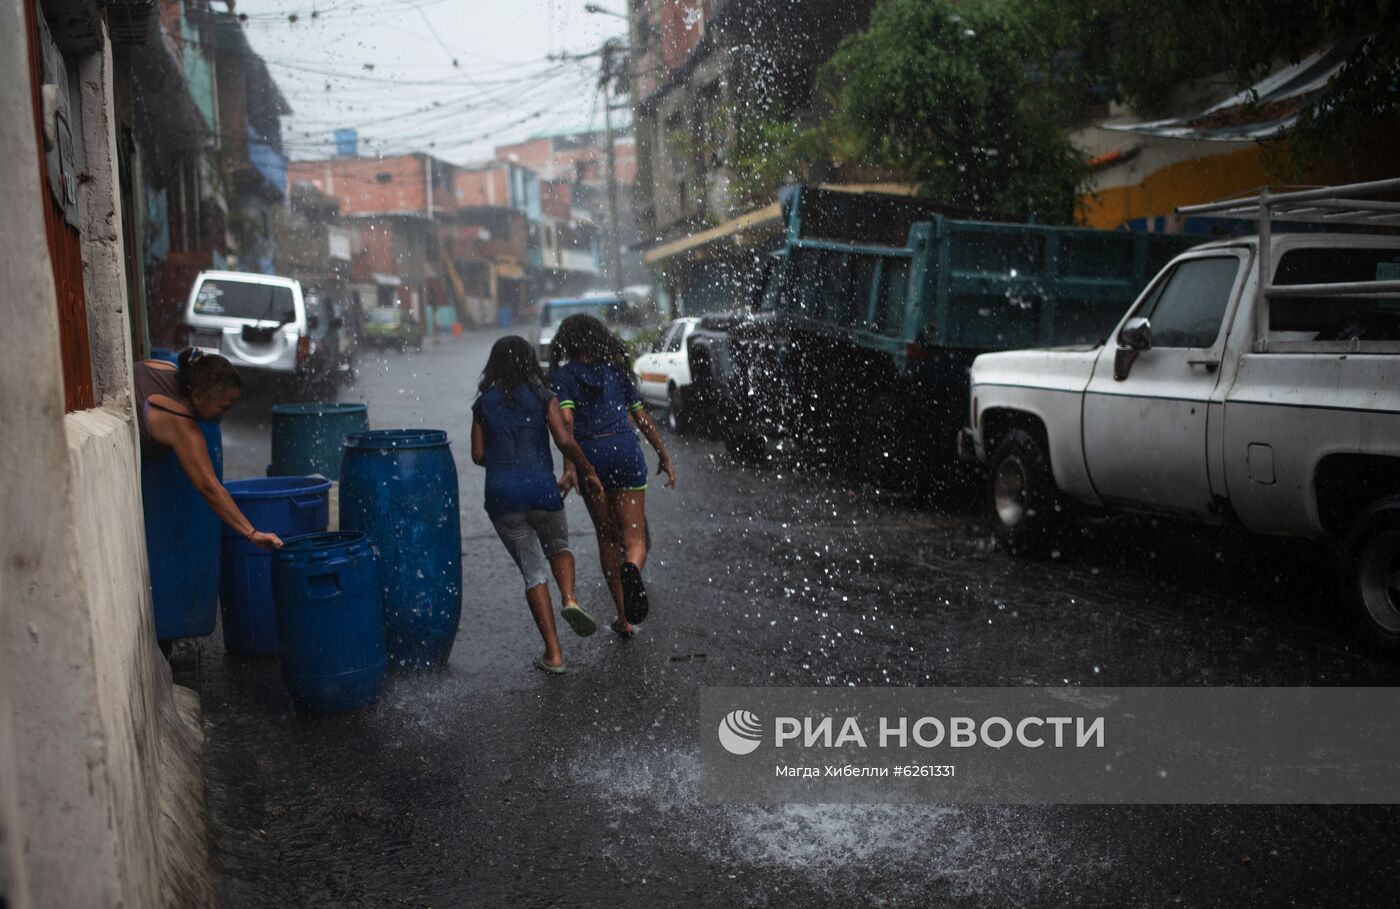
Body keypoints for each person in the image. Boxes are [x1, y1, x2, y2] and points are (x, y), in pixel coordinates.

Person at [470, 335, 605, 674]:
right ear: (531, 361)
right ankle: (570, 598)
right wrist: (586, 470)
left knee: (533, 573)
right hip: (542, 491)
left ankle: (554, 654)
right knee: (559, 547)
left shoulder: (483, 403)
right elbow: (563, 439)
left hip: (503, 497)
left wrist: (505, 461)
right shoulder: (544, 396)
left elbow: (478, 455)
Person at [549, 314, 676, 638]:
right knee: (634, 538)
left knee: (607, 537)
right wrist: (664, 456)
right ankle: (633, 566)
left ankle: (625, 619)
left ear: (568, 343)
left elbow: (567, 422)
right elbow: (642, 418)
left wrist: (571, 467)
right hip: (625, 450)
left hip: (592, 457)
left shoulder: (563, 376)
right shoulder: (617, 372)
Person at [136, 349, 283, 551]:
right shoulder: (181, 426)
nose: (227, 414)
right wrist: (251, 533)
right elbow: (210, 488)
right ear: (197, 395)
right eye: (223, 407)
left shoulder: (169, 368)